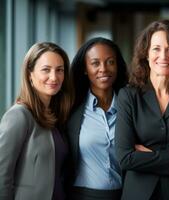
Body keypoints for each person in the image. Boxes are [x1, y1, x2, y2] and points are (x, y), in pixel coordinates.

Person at [115, 19, 169, 200]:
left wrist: (148, 157)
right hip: (137, 194)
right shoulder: (128, 96)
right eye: (156, 48)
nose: (163, 56)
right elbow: (125, 158)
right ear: (146, 54)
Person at [0, 42, 73, 200]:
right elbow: (1, 175)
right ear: (29, 75)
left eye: (59, 70)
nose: (54, 77)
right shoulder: (19, 116)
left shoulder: (56, 116)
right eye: (46, 70)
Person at [66, 37, 128, 200]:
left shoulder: (130, 108)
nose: (104, 69)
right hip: (82, 195)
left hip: (125, 194)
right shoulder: (71, 110)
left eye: (110, 62)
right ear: (85, 68)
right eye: (95, 63)